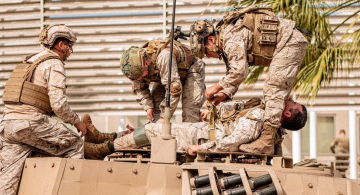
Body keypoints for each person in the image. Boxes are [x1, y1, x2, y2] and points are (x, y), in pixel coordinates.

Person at [189, 6, 308, 155]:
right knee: (276, 97)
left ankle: (266, 142)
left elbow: (239, 73)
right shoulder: (227, 39)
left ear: (211, 40)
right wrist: (223, 95)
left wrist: (214, 88)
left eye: (205, 52)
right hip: (289, 42)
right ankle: (272, 142)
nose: (208, 56)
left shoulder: (229, 39)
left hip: (290, 42)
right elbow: (234, 73)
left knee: (274, 88)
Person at [0, 24, 86, 195]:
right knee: (74, 144)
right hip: (31, 123)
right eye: (70, 46)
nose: (70, 51)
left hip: (8, 125)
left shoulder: (30, 61)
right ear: (61, 44)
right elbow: (59, 105)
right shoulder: (53, 62)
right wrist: (77, 122)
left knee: (7, 178)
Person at [83, 97, 307, 159]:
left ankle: (102, 149)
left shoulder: (260, 117)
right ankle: (103, 137)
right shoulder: (271, 125)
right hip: (205, 130)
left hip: (204, 139)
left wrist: (203, 149)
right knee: (158, 126)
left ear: (287, 113)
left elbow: (234, 141)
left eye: (292, 103)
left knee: (155, 132)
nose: (289, 99)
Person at [119, 39, 206, 123]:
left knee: (190, 113)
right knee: (156, 112)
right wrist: (148, 106)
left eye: (142, 76)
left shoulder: (164, 57)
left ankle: (192, 136)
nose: (140, 79)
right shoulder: (133, 68)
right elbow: (140, 89)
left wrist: (164, 117)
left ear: (146, 63)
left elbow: (174, 90)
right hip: (165, 75)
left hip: (190, 68)